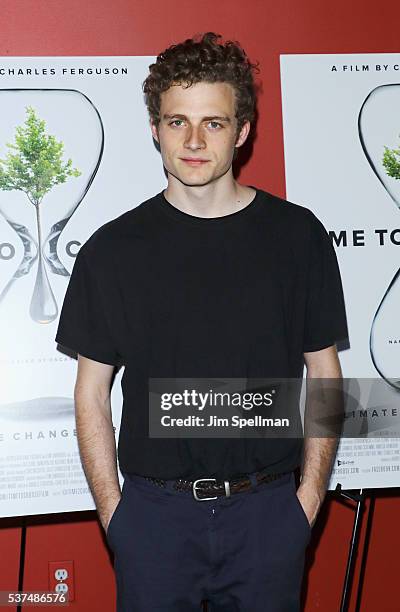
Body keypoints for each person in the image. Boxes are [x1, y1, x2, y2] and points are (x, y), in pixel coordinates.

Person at [55, 31, 349, 611]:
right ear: (155, 129)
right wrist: (117, 516)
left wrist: (309, 497)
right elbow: (91, 392)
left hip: (268, 517)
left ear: (241, 132)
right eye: (176, 122)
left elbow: (327, 374)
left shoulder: (298, 237)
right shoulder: (114, 250)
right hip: (154, 522)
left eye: (212, 123)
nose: (192, 141)